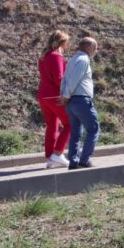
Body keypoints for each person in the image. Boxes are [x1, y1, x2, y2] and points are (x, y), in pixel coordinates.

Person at [59, 37, 100, 170]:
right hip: (81, 100)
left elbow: (64, 79)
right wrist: (65, 95)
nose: (96, 50)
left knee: (76, 132)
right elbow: (74, 80)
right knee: (93, 129)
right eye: (95, 47)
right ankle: (84, 160)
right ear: (88, 47)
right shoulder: (83, 60)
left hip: (71, 103)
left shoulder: (72, 60)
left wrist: (64, 96)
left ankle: (73, 162)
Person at [37, 30, 71, 169]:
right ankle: (58, 153)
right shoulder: (56, 56)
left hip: (43, 96)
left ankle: (51, 158)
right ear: (62, 42)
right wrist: (69, 93)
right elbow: (59, 79)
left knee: (52, 126)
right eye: (67, 42)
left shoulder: (43, 56)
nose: (68, 45)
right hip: (55, 96)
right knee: (71, 123)